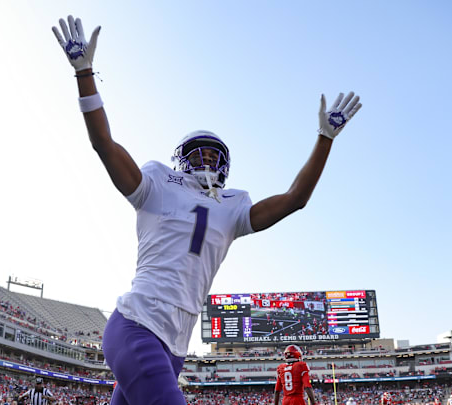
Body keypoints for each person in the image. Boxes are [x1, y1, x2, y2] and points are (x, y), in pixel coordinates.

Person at [52, 14, 362, 405]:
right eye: (199, 153)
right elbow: (104, 145)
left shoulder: (232, 206)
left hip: (175, 345)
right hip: (137, 325)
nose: (208, 160)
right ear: (181, 160)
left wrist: (325, 139)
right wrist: (84, 73)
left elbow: (295, 198)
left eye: (215, 155)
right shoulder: (158, 182)